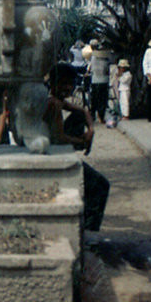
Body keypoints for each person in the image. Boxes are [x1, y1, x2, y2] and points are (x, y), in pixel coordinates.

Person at [44, 63, 109, 231]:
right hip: (52, 155)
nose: (67, 88)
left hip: (58, 149)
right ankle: (89, 232)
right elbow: (59, 138)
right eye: (63, 84)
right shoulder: (53, 104)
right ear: (53, 83)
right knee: (100, 185)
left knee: (79, 116)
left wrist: (91, 130)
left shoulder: (57, 100)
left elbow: (84, 111)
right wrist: (82, 142)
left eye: (70, 84)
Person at [87, 40, 111, 124]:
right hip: (104, 81)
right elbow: (107, 69)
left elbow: (89, 69)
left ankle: (93, 115)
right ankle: (101, 116)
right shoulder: (105, 57)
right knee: (102, 100)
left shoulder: (91, 57)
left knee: (94, 99)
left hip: (95, 81)